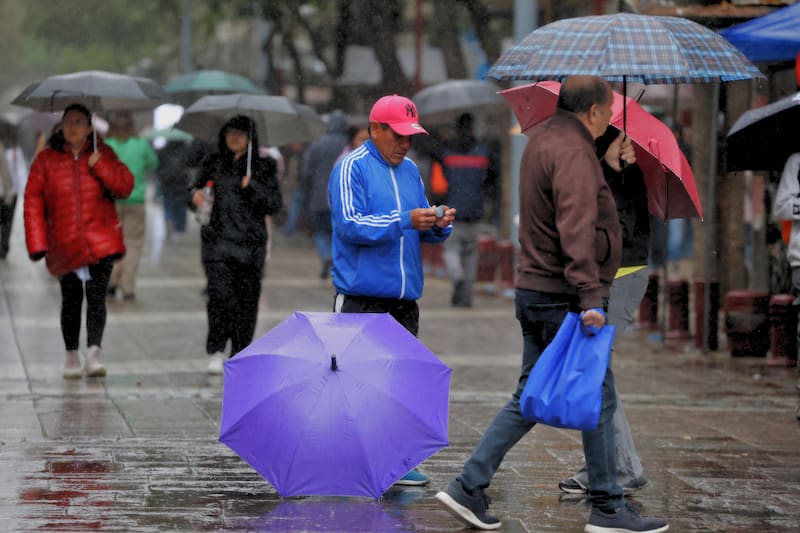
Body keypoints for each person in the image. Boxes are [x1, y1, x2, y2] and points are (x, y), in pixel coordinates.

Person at [434, 76, 668, 533]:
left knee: (532, 395)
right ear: (595, 111)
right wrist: (590, 298)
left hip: (536, 289)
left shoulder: (543, 142)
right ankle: (606, 506)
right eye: (606, 112)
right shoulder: (575, 153)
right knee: (596, 394)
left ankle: (469, 485)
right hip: (563, 295)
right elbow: (575, 228)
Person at [328, 94, 455, 486]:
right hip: (361, 296)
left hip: (404, 299)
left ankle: (397, 460)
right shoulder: (351, 167)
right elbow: (351, 224)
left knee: (397, 385)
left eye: (409, 137)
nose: (404, 144)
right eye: (397, 135)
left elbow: (417, 230)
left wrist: (437, 225)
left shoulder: (412, 170)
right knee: (356, 385)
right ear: (375, 129)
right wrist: (404, 219)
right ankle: (348, 460)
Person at [558, 126, 651, 496]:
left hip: (621, 277)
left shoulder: (622, 166)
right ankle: (609, 464)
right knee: (596, 373)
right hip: (607, 278)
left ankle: (621, 467)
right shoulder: (597, 161)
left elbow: (617, 230)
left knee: (595, 373)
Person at [23, 103, 134, 379]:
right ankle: (71, 355)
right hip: (64, 243)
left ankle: (94, 352)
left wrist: (102, 166)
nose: (72, 127)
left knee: (97, 298)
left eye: (79, 121)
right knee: (71, 300)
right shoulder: (46, 160)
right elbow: (33, 202)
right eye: (68, 121)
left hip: (101, 240)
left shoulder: (103, 153)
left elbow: (124, 186)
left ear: (89, 127)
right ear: (61, 126)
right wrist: (37, 244)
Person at [190, 115, 282, 375]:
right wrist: (194, 197)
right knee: (219, 296)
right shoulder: (213, 162)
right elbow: (194, 191)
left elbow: (274, 204)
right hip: (216, 243)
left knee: (246, 301)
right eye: (230, 131)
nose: (235, 137)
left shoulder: (264, 166)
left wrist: (251, 186)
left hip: (250, 246)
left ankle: (240, 350)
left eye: (241, 133)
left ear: (251, 137)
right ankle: (217, 348)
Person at [439, 112, 498, 307]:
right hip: (475, 211)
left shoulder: (447, 153)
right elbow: (491, 180)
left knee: (451, 250)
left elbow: (442, 182)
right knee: (472, 254)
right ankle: (466, 297)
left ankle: (457, 275)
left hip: (452, 211)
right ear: (472, 127)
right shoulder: (483, 152)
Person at [105, 111, 158, 300]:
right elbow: (153, 163)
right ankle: (127, 285)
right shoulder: (141, 144)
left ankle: (111, 281)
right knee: (133, 243)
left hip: (111, 201)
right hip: (135, 200)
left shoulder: (106, 146)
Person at [300, 109, 349, 279]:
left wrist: (307, 193)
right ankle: (336, 259)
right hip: (342, 198)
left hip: (318, 197)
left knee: (320, 231)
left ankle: (325, 255)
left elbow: (306, 172)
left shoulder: (316, 144)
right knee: (338, 232)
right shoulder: (348, 145)